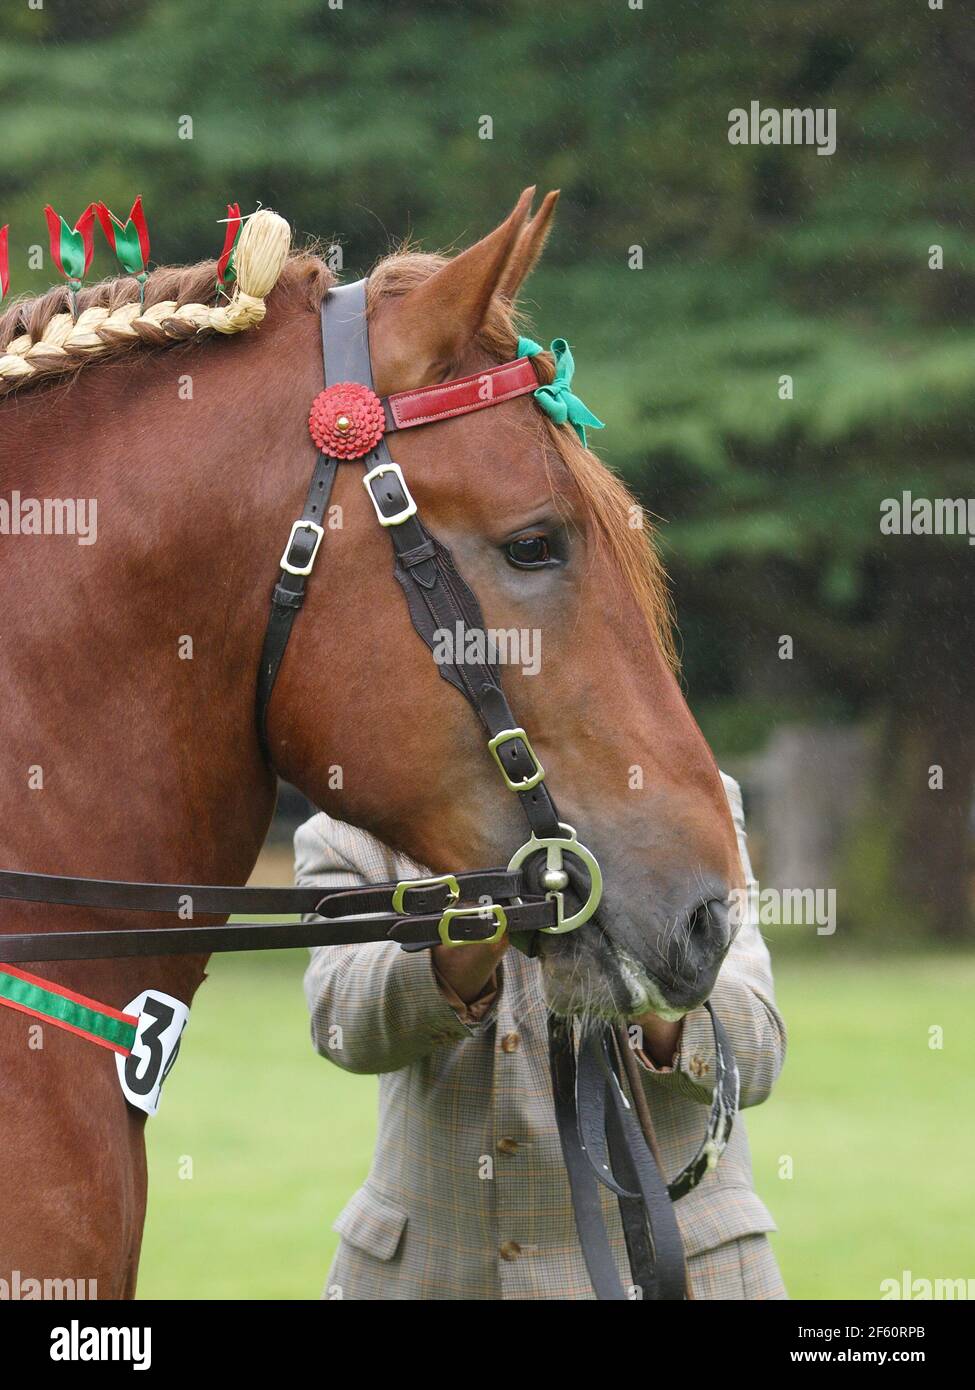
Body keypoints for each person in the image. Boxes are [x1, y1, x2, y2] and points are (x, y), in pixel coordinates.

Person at [296, 772, 786, 1300]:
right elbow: (341, 1024)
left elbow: (754, 1056)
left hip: (680, 1271)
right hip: (434, 1273)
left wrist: (631, 961)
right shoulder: (353, 821)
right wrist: (461, 953)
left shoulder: (686, 791)